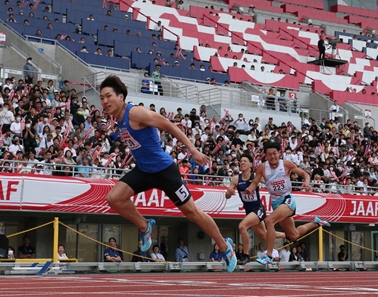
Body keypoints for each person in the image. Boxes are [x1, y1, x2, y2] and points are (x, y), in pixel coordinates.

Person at [100, 76, 236, 272]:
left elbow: (169, 125)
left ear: (121, 97)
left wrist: (193, 150)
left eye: (108, 96)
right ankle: (145, 226)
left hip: (164, 171)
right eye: (102, 97)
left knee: (192, 213)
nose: (104, 101)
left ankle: (224, 247)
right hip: (144, 171)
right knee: (114, 198)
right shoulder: (119, 120)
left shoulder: (135, 113)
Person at [244, 141, 330, 265]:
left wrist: (306, 182)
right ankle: (316, 223)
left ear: (279, 153)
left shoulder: (286, 165)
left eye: (275, 153)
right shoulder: (263, 167)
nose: (273, 157)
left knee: (269, 221)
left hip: (287, 200)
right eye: (269, 154)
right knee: (293, 236)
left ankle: (268, 256)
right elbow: (255, 182)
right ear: (266, 156)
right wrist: (250, 189)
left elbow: (304, 174)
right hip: (276, 204)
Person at [224, 152, 285, 264]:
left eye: (244, 161)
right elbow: (227, 195)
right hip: (249, 211)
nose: (242, 163)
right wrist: (229, 192)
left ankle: (245, 255)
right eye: (241, 161)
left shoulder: (255, 177)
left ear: (250, 164)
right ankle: (288, 235)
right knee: (264, 235)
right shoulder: (236, 179)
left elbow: (270, 184)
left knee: (242, 226)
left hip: (258, 209)